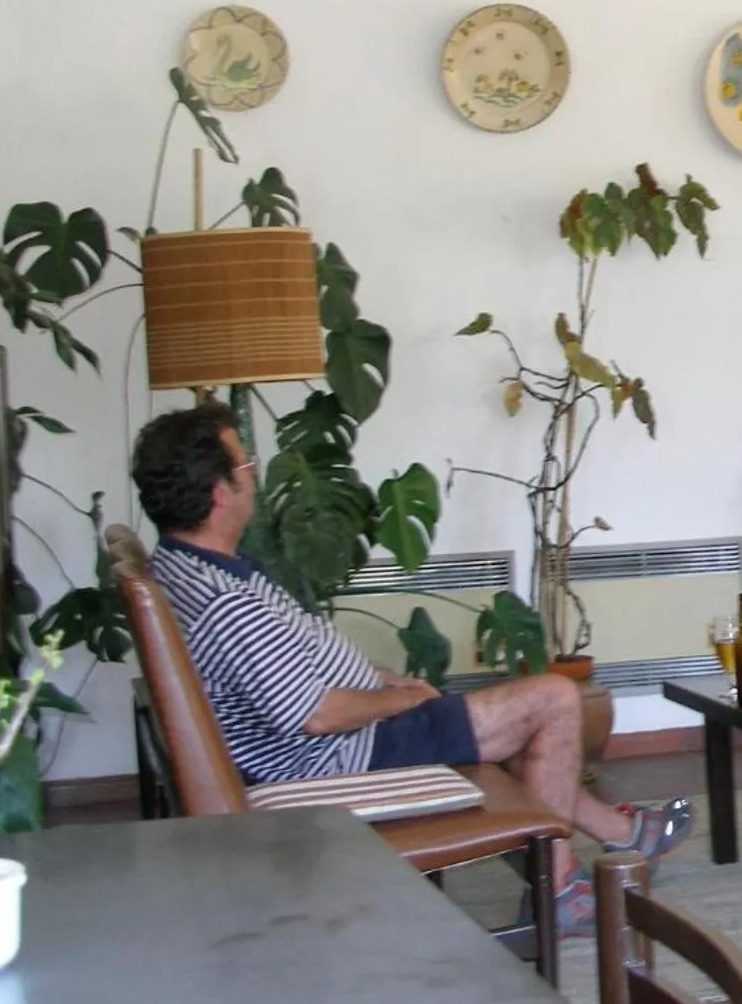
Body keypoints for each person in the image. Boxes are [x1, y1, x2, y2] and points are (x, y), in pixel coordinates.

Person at [130, 401, 690, 935]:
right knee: (554, 700)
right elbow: (317, 715)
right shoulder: (225, 602)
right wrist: (398, 700)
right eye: (244, 465)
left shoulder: (183, 568)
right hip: (338, 756)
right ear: (218, 492)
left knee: (524, 724)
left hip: (332, 742)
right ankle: (561, 890)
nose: (254, 474)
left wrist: (377, 679)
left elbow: (283, 669)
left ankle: (623, 835)